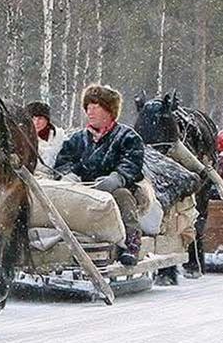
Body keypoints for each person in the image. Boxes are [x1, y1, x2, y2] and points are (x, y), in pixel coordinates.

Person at [51, 84, 150, 265]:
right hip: (83, 189)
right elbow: (64, 161)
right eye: (88, 107)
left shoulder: (127, 136)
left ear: (109, 110)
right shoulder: (77, 139)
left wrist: (117, 178)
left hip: (118, 189)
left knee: (123, 196)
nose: (90, 111)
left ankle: (132, 243)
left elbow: (132, 163)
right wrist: (68, 175)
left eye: (95, 107)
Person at [28, 101, 63, 171]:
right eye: (33, 119)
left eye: (40, 118)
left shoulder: (60, 137)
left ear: (47, 120)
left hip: (57, 177)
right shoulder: (24, 139)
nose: (36, 122)